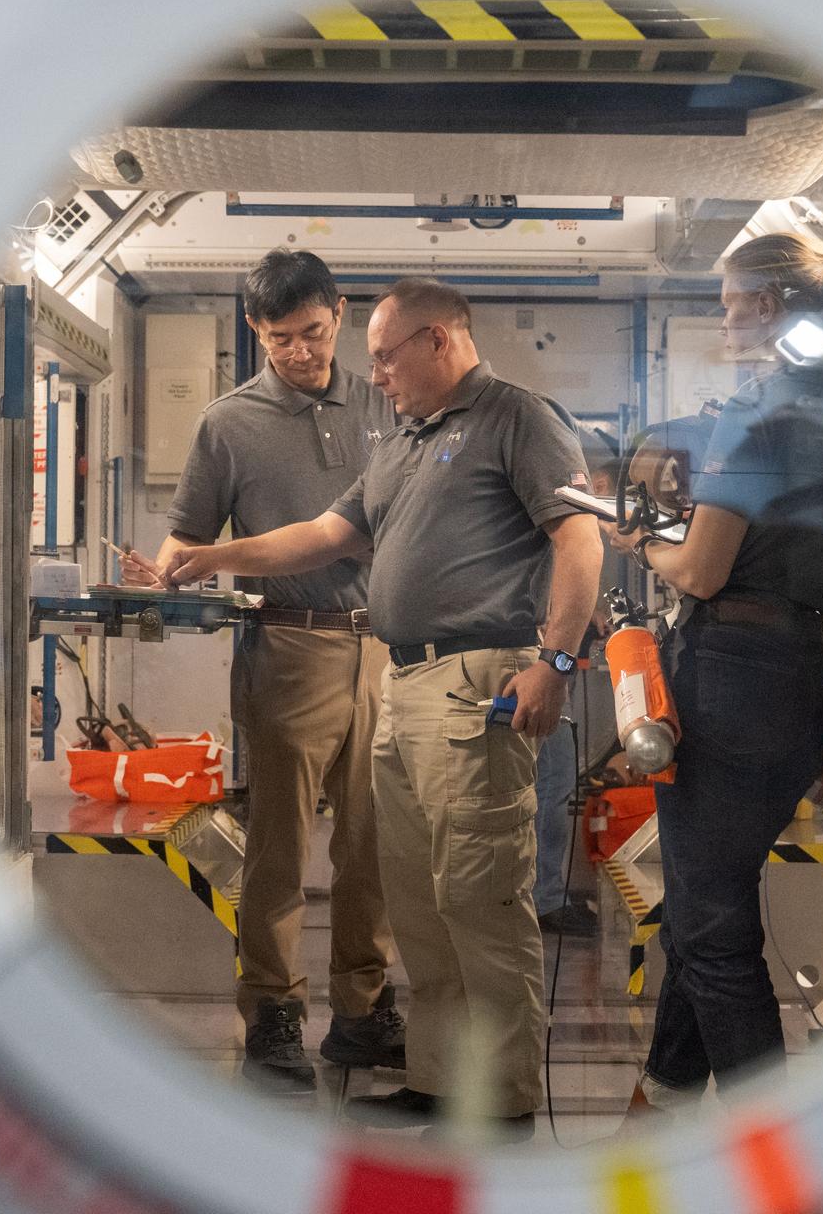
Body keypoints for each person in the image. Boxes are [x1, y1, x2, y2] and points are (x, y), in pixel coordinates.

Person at [153, 278, 604, 1137]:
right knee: (421, 897)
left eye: (385, 357)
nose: (375, 376)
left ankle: (503, 1097)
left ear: (439, 342)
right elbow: (327, 534)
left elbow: (578, 538)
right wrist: (216, 556)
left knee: (479, 891)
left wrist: (555, 658)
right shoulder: (404, 440)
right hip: (403, 681)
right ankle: (440, 1077)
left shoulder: (518, 418)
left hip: (478, 683)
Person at [608, 232, 823, 1116]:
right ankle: (663, 1096)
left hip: (728, 678)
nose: (724, 316)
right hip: (804, 679)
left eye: (731, 300)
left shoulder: (754, 415)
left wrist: (642, 540)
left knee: (708, 923)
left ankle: (769, 1142)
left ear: (768, 306)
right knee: (707, 893)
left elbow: (698, 572)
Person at [121, 249, 404, 1096]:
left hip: (386, 648)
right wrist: (169, 567)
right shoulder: (227, 423)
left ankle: (363, 1010)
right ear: (254, 331)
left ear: (341, 316)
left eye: (312, 334)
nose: (298, 353)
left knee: (375, 845)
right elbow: (188, 538)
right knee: (281, 849)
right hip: (289, 649)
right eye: (279, 338)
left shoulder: (387, 407)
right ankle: (273, 1013)